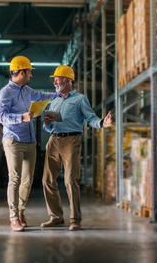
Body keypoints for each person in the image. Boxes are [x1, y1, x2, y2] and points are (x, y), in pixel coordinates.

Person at [41, 65, 112, 231]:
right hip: (53, 141)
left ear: (67, 81)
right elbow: (48, 126)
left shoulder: (80, 99)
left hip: (71, 141)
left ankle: (75, 220)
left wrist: (102, 123)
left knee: (70, 181)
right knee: (47, 180)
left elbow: (91, 118)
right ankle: (56, 217)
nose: (54, 82)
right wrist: (47, 124)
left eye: (57, 79)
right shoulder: (54, 100)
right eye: (54, 80)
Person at [0, 56, 59, 232]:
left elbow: (41, 96)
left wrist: (58, 94)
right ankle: (14, 218)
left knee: (28, 180)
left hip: (30, 140)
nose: (31, 75)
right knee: (14, 178)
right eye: (29, 72)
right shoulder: (5, 93)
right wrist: (20, 117)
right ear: (22, 72)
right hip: (13, 140)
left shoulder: (27, 90)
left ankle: (21, 212)